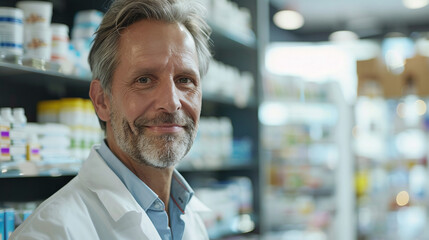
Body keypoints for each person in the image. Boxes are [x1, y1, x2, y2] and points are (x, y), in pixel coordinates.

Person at [10, 0, 212, 239]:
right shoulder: (51, 232)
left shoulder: (187, 216)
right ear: (102, 101)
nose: (171, 103)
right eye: (144, 80)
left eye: (185, 80)